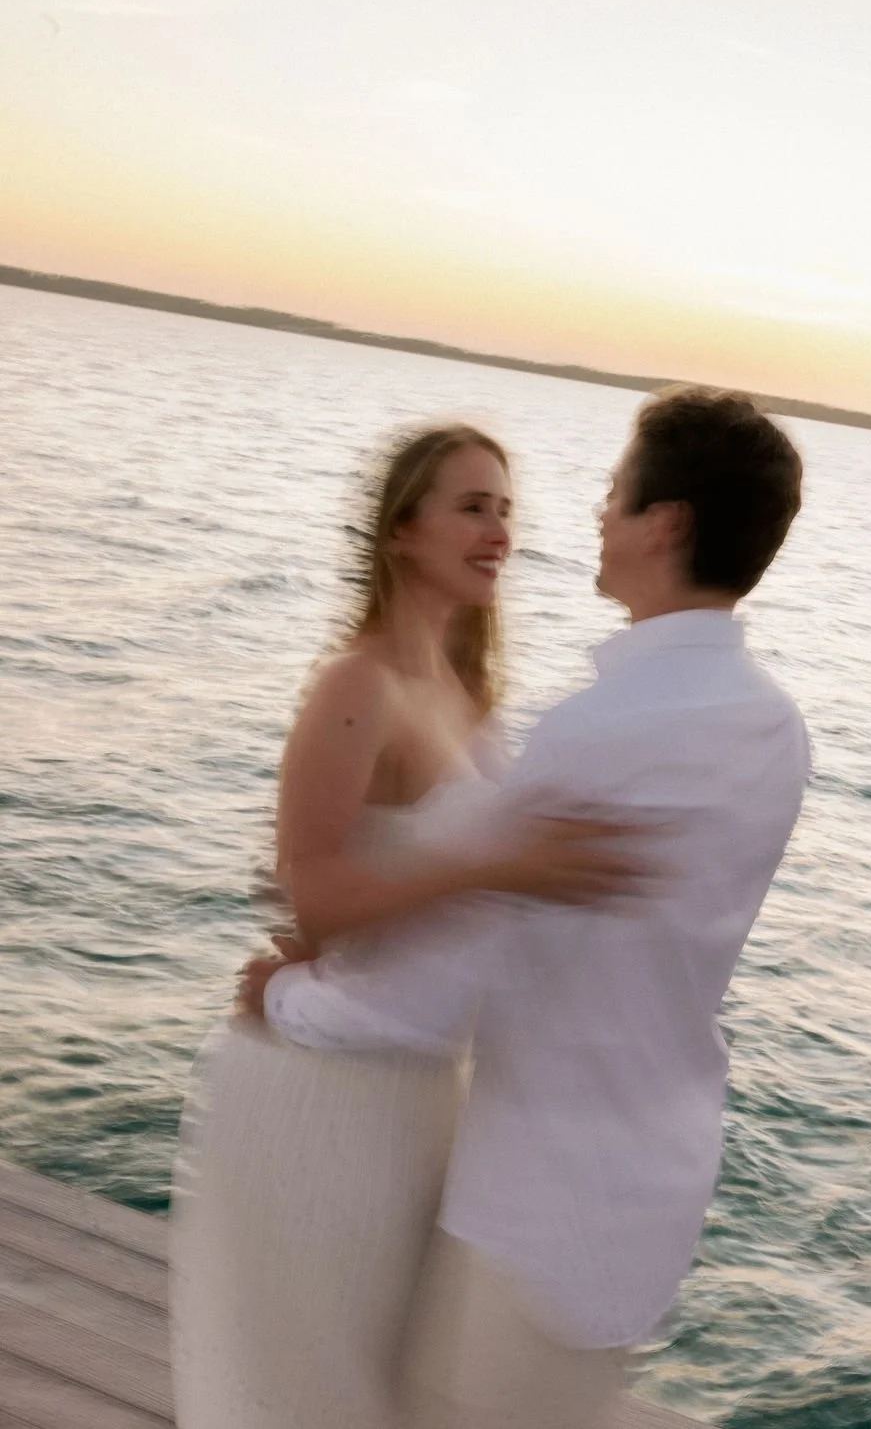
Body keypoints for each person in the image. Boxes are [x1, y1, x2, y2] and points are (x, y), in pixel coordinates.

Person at [252, 386, 812, 1429]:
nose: (596, 513)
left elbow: (445, 984)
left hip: (535, 1208)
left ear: (665, 522)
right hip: (653, 1183)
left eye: (615, 491)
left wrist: (287, 997)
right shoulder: (775, 727)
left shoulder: (597, 733)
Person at [169, 423, 633, 1429]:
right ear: (401, 531)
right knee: (306, 1397)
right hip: (325, 1098)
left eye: (505, 510)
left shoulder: (469, 691)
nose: (498, 531)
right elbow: (310, 890)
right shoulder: (359, 683)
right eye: (471, 507)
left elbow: (399, 888)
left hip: (421, 1094)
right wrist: (499, 867)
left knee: (377, 1389)